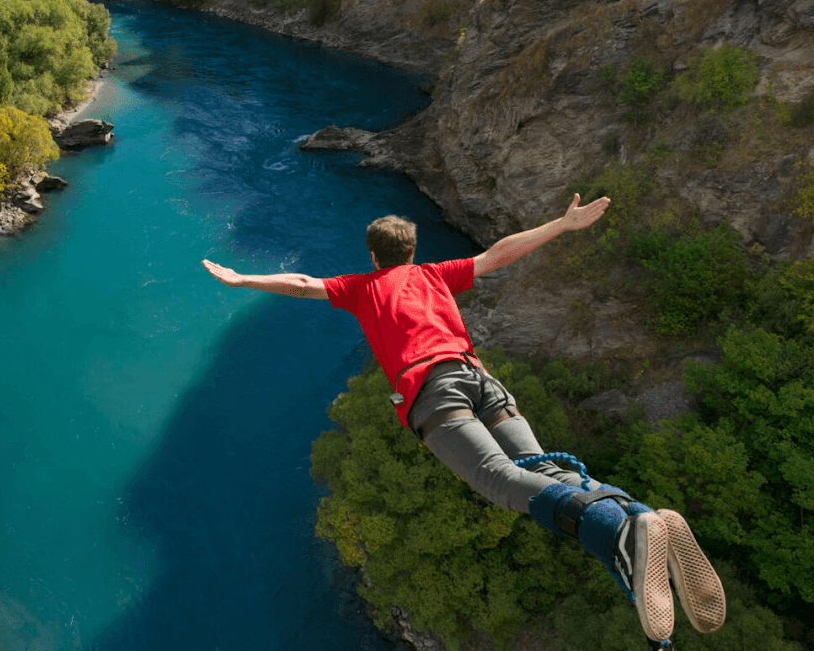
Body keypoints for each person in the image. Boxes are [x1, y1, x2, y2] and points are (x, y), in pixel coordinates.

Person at [201, 195, 725, 644]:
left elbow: (302, 283)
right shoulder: (435, 274)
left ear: (373, 255)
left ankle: (620, 535)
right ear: (412, 250)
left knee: (497, 480)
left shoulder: (361, 288)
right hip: (481, 379)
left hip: (432, 389)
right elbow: (499, 255)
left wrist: (243, 279)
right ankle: (637, 514)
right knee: (544, 470)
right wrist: (562, 225)